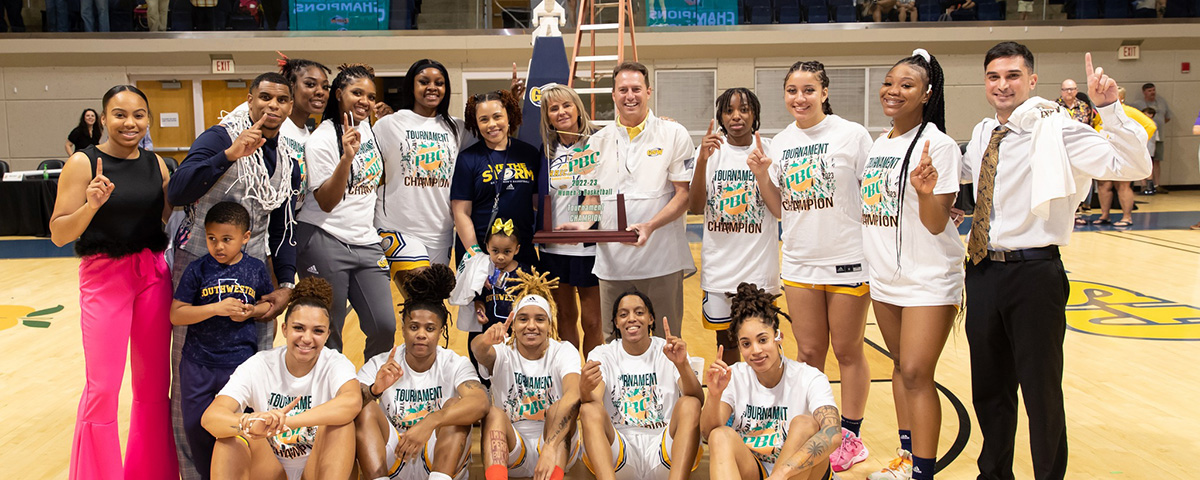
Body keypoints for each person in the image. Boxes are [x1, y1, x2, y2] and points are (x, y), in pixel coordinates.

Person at [961, 43, 1150, 480]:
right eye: (994, 76)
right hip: (983, 270)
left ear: (1032, 81)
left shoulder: (1058, 129)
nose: (1002, 84)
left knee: (1040, 390)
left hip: (1034, 274)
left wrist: (1110, 109)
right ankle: (994, 474)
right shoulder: (985, 130)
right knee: (989, 387)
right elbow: (970, 176)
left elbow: (1131, 163)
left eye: (1012, 75)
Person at [168, 71, 300, 480]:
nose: (272, 106)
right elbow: (176, 191)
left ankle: (242, 471)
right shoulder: (219, 137)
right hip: (199, 265)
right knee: (190, 382)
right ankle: (194, 473)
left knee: (250, 379)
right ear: (249, 99)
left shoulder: (288, 158)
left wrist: (286, 286)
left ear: (289, 107)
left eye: (280, 100)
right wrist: (227, 156)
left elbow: (283, 229)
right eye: (264, 98)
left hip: (253, 274)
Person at [745, 60, 873, 474]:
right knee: (810, 352)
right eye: (792, 91)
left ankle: (848, 435)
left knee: (848, 351)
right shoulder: (780, 142)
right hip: (799, 261)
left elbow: (871, 198)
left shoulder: (852, 135)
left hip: (846, 259)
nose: (799, 98)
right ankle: (815, 431)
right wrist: (764, 175)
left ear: (824, 92)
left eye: (808, 89)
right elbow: (780, 207)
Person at [50, 84, 178, 479]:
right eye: (120, 114)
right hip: (105, 277)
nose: (130, 123)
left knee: (154, 387)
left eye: (139, 114)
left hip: (153, 274)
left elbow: (168, 219)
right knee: (103, 388)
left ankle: (151, 472)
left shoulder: (158, 165)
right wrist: (91, 205)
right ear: (103, 119)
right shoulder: (83, 164)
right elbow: (58, 233)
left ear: (148, 120)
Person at [860, 49, 961, 480]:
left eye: (907, 85)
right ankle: (906, 458)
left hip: (928, 278)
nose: (893, 91)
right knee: (901, 368)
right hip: (885, 278)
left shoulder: (938, 144)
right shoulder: (880, 143)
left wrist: (924, 193)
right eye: (889, 82)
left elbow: (937, 223)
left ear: (927, 94)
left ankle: (923, 470)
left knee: (918, 372)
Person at [201, 277, 360, 480]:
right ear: (285, 329)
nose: (307, 338)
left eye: (318, 331)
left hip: (316, 468)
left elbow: (352, 401)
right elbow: (211, 417)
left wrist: (288, 422)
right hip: (271, 469)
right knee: (228, 438)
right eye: (299, 328)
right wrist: (247, 423)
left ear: (328, 335)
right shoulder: (260, 364)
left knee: (342, 425)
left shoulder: (335, 363)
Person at [296, 63, 397, 359]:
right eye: (356, 93)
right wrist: (346, 159)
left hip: (366, 241)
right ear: (339, 94)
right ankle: (334, 396)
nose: (364, 100)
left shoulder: (368, 128)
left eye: (369, 95)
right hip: (324, 238)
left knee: (384, 325)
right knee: (330, 330)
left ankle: (368, 390)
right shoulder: (322, 140)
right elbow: (327, 201)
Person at [353, 264, 490, 480]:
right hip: (394, 455)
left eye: (430, 328)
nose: (421, 335)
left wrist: (431, 421)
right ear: (403, 326)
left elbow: (481, 402)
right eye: (414, 327)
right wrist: (374, 390)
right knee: (364, 407)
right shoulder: (381, 363)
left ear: (442, 330)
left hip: (438, 455)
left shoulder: (455, 363)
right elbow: (347, 403)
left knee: (456, 406)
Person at [590, 62, 695, 341]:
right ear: (613, 95)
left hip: (662, 260)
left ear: (648, 91)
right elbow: (593, 198)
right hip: (613, 265)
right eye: (622, 90)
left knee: (667, 340)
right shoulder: (596, 142)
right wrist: (578, 225)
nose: (630, 96)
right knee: (613, 342)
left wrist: (649, 225)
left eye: (636, 89)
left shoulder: (674, 134)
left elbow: (683, 195)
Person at [171, 201, 275, 479]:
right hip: (197, 364)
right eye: (212, 239)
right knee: (195, 428)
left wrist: (252, 311)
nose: (218, 247)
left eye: (227, 240)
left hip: (239, 366)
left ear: (245, 237)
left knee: (239, 430)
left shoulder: (255, 268)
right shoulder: (197, 270)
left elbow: (269, 306)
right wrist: (216, 309)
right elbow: (176, 314)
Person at [700, 283, 842, 480]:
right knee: (720, 435)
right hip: (754, 468)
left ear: (778, 337)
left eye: (763, 340)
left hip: (798, 472)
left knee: (805, 424)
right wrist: (714, 396)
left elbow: (833, 434)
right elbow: (708, 433)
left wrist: (781, 474)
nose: (756, 350)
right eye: (746, 344)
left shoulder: (810, 377)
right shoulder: (734, 376)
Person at [688, 87, 780, 369]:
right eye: (729, 110)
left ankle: (763, 406)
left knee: (762, 344)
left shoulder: (770, 150)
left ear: (755, 115)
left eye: (744, 109)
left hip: (759, 272)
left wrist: (762, 173)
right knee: (726, 344)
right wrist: (702, 161)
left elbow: (778, 210)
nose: (736, 116)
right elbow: (695, 207)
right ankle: (729, 407)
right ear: (720, 117)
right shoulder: (709, 153)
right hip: (721, 271)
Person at [578, 291, 703, 480]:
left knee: (690, 404)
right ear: (616, 322)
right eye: (623, 314)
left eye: (639, 312)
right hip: (621, 450)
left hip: (663, 445)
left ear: (651, 318)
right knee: (589, 410)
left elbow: (698, 398)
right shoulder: (603, 354)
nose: (631, 319)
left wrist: (682, 364)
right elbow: (593, 399)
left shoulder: (668, 350)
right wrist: (585, 390)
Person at [473, 269, 583, 480]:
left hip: (555, 445)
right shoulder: (503, 348)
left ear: (550, 325)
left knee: (558, 408)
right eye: (523, 319)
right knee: (493, 413)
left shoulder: (563, 350)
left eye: (540, 319)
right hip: (514, 447)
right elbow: (479, 351)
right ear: (513, 324)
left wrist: (549, 447)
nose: (531, 326)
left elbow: (573, 395)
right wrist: (484, 339)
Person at [375, 59, 472, 288]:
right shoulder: (389, 124)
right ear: (411, 86)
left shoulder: (457, 128)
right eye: (424, 81)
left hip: (441, 231)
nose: (432, 87)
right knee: (421, 293)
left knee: (432, 306)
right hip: (397, 227)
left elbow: (494, 139)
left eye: (439, 83)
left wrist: (513, 101)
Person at [537, 83, 604, 354]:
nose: (561, 112)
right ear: (548, 116)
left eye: (567, 105)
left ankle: (592, 378)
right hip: (553, 248)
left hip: (588, 247)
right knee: (565, 317)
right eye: (554, 108)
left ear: (578, 109)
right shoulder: (545, 152)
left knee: (593, 320)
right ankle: (572, 380)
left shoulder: (597, 143)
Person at [451, 89, 541, 267]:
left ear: (509, 116)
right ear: (476, 124)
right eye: (484, 119)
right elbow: (461, 212)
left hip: (520, 250)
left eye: (497, 116)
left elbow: (538, 202)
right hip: (481, 250)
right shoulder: (468, 159)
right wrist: (475, 255)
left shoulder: (529, 153)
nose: (492, 124)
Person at [469, 219, 533, 374]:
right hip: (489, 330)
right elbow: (479, 300)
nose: (501, 257)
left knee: (514, 369)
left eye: (507, 251)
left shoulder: (524, 273)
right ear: (487, 247)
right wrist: (479, 311)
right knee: (487, 367)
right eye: (495, 251)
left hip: (515, 334)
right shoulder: (483, 272)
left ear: (517, 249)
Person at [1093, 86, 1156, 228]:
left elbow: (1150, 126)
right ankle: (1104, 215)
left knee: (1123, 185)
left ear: (1120, 98)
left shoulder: (1129, 112)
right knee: (1103, 184)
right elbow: (1096, 125)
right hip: (1105, 152)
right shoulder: (1102, 112)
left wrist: (1137, 145)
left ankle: (1127, 217)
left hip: (1123, 153)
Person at [276, 55, 332, 212]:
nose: (320, 92)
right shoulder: (274, 123)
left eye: (325, 87)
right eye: (310, 84)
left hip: (291, 219)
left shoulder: (309, 137)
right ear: (291, 85)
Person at [1127, 82, 1171, 194]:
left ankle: (1156, 184)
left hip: (1158, 136)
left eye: (1153, 90)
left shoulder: (1161, 102)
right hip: (1144, 138)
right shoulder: (1138, 104)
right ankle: (1144, 185)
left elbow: (1167, 117)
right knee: (1145, 160)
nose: (1153, 92)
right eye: (1150, 91)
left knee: (1157, 160)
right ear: (1144, 92)